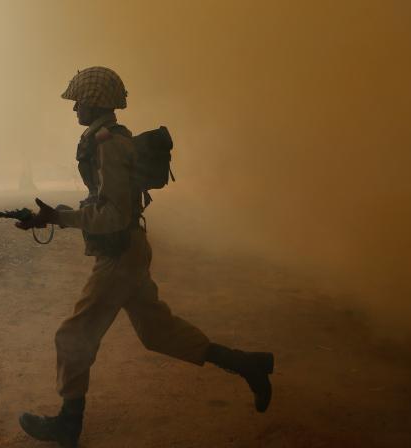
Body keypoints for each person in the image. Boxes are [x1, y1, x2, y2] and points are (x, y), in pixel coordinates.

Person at [15, 66, 274, 448]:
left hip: (119, 257)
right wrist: (49, 216)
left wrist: (61, 217)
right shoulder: (104, 142)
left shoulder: (108, 145)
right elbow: (105, 205)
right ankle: (247, 365)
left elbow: (114, 215)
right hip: (127, 253)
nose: (74, 110)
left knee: (73, 336)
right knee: (158, 333)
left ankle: (68, 426)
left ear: (94, 102)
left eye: (79, 102)